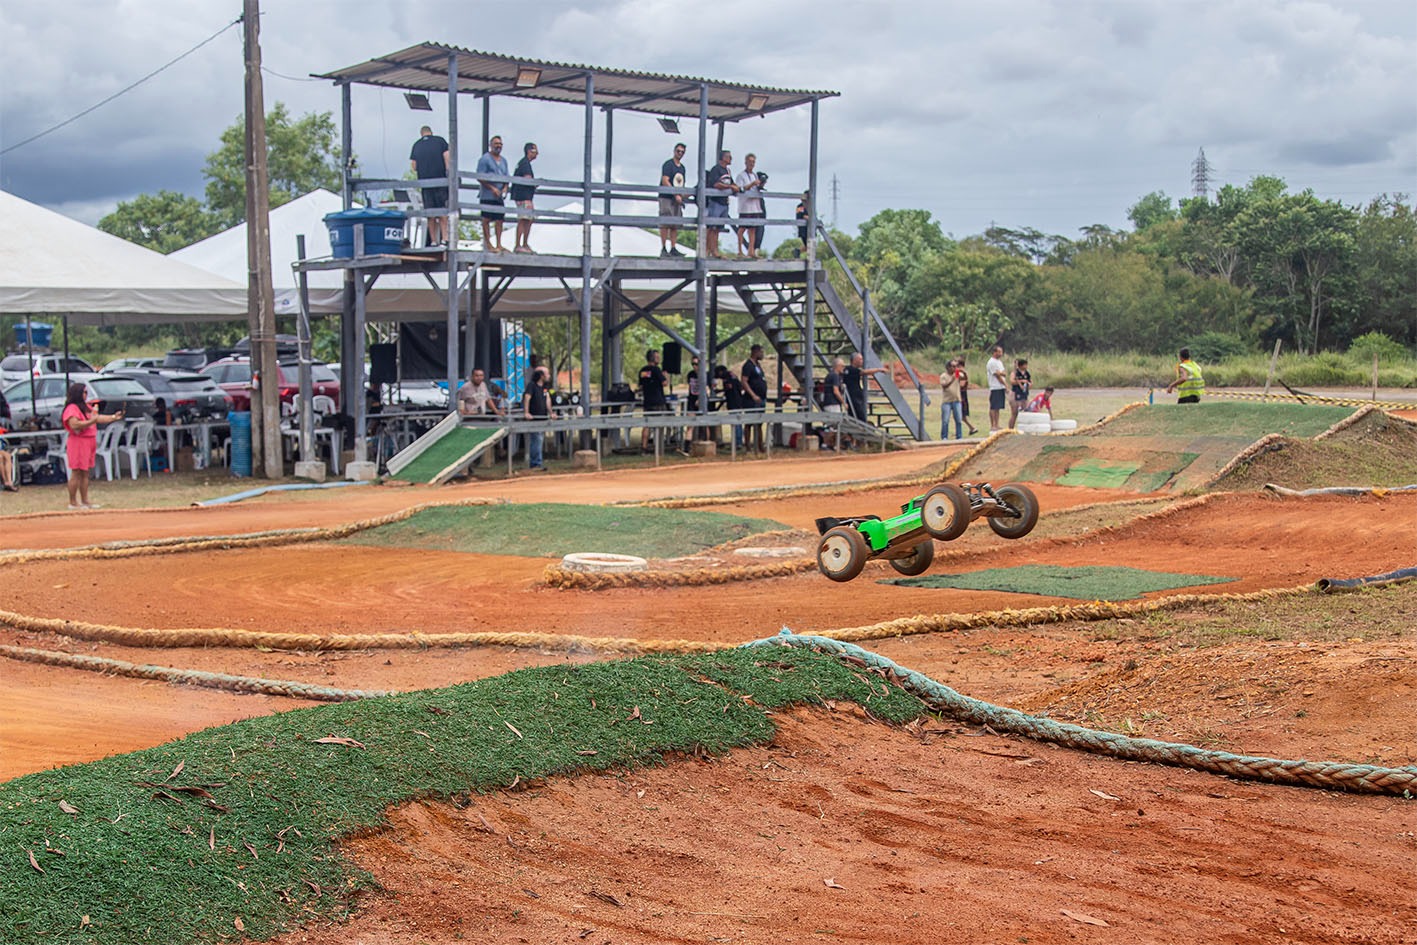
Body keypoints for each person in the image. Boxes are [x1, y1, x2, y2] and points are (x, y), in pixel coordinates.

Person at [62, 382, 122, 510]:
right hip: (78, 441)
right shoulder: (72, 408)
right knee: (76, 472)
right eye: (84, 392)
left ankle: (85, 500)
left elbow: (97, 418)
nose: (86, 395)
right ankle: (73, 502)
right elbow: (75, 424)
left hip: (89, 440)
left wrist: (113, 417)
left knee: (85, 472)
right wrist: (91, 421)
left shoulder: (85, 407)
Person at [409, 125, 451, 247]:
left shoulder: (416, 145)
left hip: (425, 183)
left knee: (430, 213)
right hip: (440, 180)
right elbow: (447, 157)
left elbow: (414, 166)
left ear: (421, 134)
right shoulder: (440, 141)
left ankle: (433, 241)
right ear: (431, 132)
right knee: (443, 210)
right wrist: (448, 172)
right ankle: (445, 239)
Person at [476, 135, 510, 253]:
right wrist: (491, 188)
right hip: (487, 195)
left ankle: (499, 244)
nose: (498, 146)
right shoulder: (485, 159)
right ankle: (488, 244)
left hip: (499, 195)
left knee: (499, 219)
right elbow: (479, 176)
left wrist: (505, 187)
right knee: (486, 219)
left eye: (500, 144)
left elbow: (507, 177)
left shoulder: (504, 161)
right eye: (496, 143)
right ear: (491, 145)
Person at [704, 150, 738, 259]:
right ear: (723, 158)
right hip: (716, 202)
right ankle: (706, 250)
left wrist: (736, 187)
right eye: (728, 156)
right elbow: (716, 184)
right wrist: (730, 187)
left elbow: (732, 183)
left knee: (717, 228)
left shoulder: (727, 171)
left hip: (724, 203)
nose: (731, 158)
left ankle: (714, 250)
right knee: (711, 227)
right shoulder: (716, 169)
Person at [734, 153, 767, 258]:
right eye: (750, 161)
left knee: (753, 228)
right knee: (742, 229)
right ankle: (739, 250)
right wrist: (752, 184)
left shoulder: (755, 175)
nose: (751, 164)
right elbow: (740, 188)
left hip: (755, 205)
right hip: (745, 206)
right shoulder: (741, 176)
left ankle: (751, 251)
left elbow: (756, 187)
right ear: (746, 162)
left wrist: (760, 184)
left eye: (753, 162)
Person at [658, 143, 688, 257]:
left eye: (682, 152)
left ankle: (673, 247)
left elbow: (681, 183)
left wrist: (682, 195)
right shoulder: (668, 165)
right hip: (666, 197)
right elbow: (665, 180)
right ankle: (664, 248)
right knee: (665, 223)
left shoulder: (682, 168)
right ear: (674, 151)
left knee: (675, 224)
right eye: (678, 151)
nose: (680, 153)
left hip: (677, 199)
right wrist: (675, 194)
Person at [638, 348, 669, 452]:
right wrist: (665, 376)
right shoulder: (656, 369)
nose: (659, 358)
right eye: (657, 357)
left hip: (647, 401)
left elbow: (641, 386)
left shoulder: (643, 371)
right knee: (659, 424)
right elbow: (664, 383)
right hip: (658, 401)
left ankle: (644, 447)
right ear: (653, 358)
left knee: (646, 424)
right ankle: (659, 448)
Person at [511, 142, 538, 254]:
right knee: (523, 219)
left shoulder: (523, 163)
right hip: (523, 196)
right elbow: (528, 180)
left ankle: (524, 244)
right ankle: (519, 244)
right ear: (529, 151)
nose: (537, 154)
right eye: (535, 151)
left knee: (529, 219)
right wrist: (535, 183)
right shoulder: (525, 164)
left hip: (524, 196)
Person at [842, 351, 885, 424]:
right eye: (860, 359)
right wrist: (879, 370)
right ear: (855, 360)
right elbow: (864, 372)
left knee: (854, 416)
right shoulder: (852, 370)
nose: (862, 361)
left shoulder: (847, 369)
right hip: (854, 398)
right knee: (860, 417)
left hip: (852, 396)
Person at [521, 365, 550, 471]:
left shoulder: (545, 387)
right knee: (536, 440)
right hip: (534, 417)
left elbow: (547, 398)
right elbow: (527, 398)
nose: (548, 376)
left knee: (539, 440)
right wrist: (526, 412)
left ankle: (538, 461)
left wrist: (551, 412)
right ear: (541, 375)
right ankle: (535, 463)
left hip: (542, 416)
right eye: (547, 374)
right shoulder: (531, 386)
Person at [741, 343, 768, 452]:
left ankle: (760, 445)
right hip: (751, 399)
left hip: (761, 398)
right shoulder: (748, 365)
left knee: (760, 423)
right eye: (761, 352)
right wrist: (753, 395)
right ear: (755, 352)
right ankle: (747, 446)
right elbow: (744, 381)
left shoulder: (758, 365)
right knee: (749, 423)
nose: (762, 354)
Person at [715, 363, 746, 450]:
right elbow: (740, 387)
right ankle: (738, 442)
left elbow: (729, 388)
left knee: (736, 423)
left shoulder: (727, 377)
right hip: (738, 401)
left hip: (734, 402)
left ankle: (738, 443)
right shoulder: (733, 375)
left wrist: (720, 390)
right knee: (738, 422)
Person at [954, 357, 980, 436]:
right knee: (959, 415)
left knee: (961, 414)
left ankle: (971, 428)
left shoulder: (961, 372)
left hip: (961, 395)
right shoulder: (960, 372)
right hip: (961, 394)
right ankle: (964, 429)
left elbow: (961, 383)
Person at [939, 359, 964, 440]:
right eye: (953, 366)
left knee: (959, 420)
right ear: (948, 367)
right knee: (945, 420)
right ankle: (944, 437)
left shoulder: (956, 374)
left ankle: (959, 436)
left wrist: (961, 372)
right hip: (947, 401)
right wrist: (952, 379)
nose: (955, 368)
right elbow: (944, 386)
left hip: (956, 400)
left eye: (956, 366)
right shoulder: (943, 376)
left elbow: (963, 377)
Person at [986, 345, 1007, 432]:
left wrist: (1001, 373)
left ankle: (997, 424)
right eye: (999, 352)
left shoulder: (999, 362)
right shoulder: (992, 362)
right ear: (994, 352)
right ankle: (993, 424)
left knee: (998, 407)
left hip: (1000, 387)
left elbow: (1004, 373)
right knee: (993, 406)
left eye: (1001, 352)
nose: (1001, 354)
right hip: (995, 386)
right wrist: (1006, 384)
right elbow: (997, 375)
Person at [1008, 357, 1032, 430]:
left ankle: (1024, 429)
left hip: (1024, 394)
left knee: (1026, 411)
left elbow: (1030, 381)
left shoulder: (1027, 373)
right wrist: (1021, 382)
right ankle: (1010, 429)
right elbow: (1012, 381)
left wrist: (1029, 384)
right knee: (1014, 413)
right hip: (1015, 393)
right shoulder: (1014, 373)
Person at [793, 191, 811, 256]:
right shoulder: (800, 206)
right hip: (803, 229)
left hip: (810, 229)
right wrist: (810, 218)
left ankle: (798, 251)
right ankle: (798, 252)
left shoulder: (811, 206)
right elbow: (801, 216)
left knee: (809, 246)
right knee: (808, 245)